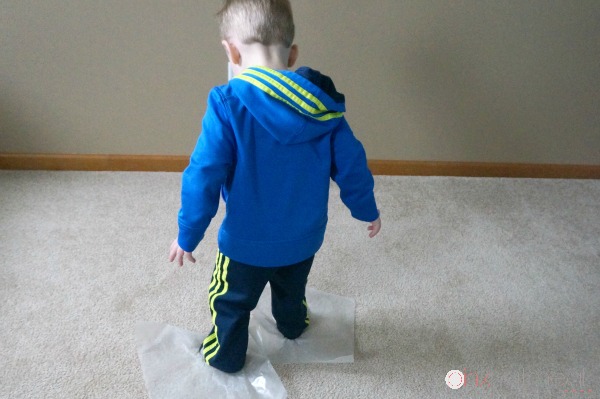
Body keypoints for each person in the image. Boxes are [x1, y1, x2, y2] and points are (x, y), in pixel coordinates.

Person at [169, 0, 381, 374]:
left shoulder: (227, 103)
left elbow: (203, 173)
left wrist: (188, 233)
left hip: (245, 245)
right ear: (293, 53)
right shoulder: (324, 106)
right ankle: (293, 325)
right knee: (291, 289)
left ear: (231, 51)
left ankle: (225, 357)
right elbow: (352, 164)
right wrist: (367, 210)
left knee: (230, 301)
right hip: (304, 238)